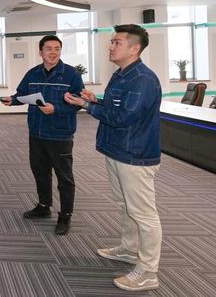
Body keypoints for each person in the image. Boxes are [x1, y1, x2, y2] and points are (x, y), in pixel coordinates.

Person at [64, 24, 162, 292]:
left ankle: (148, 272)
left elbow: (123, 117)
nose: (111, 46)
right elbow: (116, 107)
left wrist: (86, 105)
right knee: (125, 205)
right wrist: (96, 100)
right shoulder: (121, 75)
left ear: (134, 48)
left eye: (117, 42)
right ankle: (130, 250)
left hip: (135, 155)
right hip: (118, 150)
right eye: (112, 42)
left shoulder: (142, 79)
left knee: (144, 214)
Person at [1, 35, 83, 235]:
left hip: (60, 134)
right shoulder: (33, 73)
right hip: (36, 132)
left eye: (57, 49)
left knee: (64, 178)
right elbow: (22, 94)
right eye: (48, 49)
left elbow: (79, 103)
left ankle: (65, 216)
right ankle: (44, 206)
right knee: (40, 172)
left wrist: (56, 109)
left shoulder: (71, 74)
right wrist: (12, 100)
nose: (53, 52)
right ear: (40, 52)